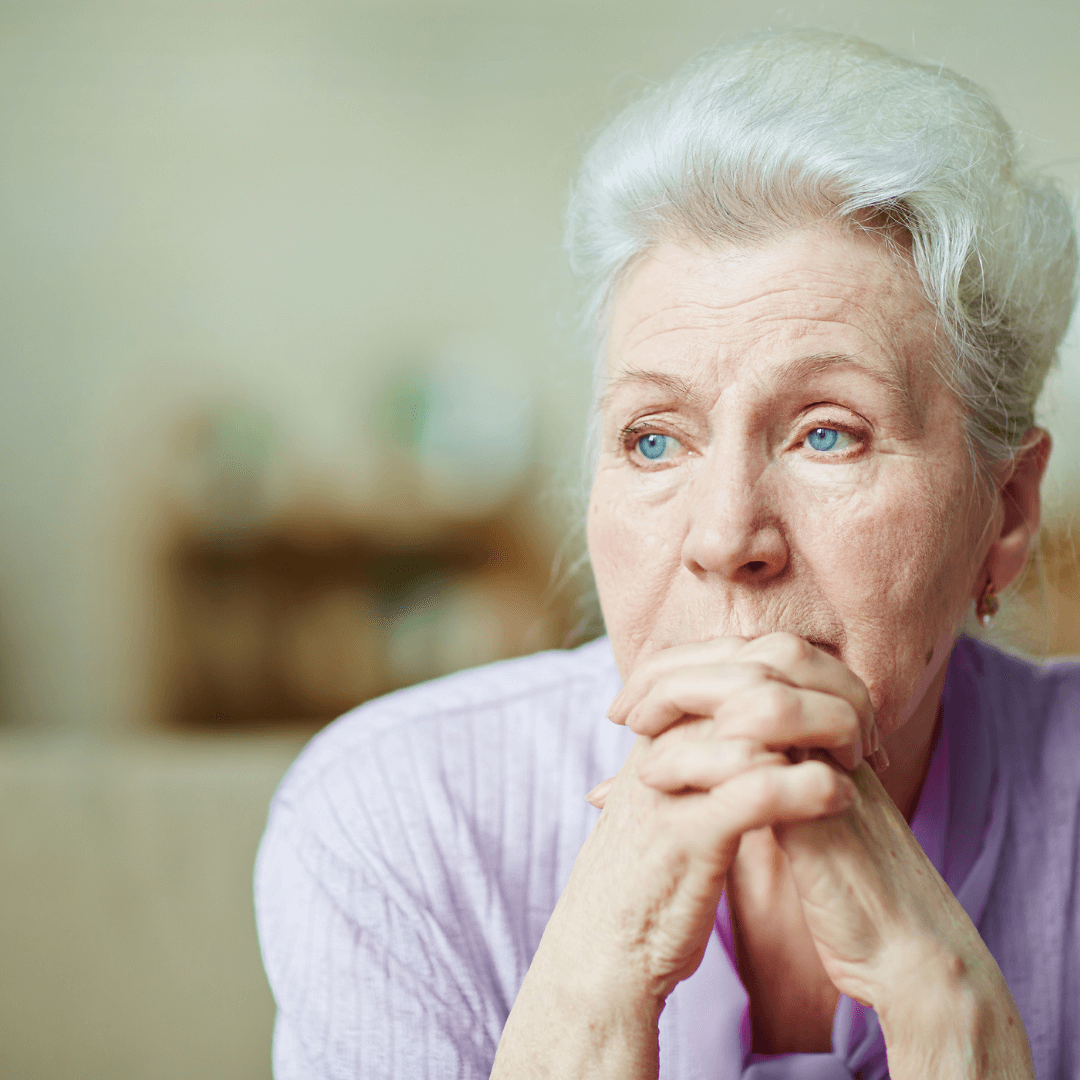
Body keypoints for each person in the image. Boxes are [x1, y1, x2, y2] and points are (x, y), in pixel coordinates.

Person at [254, 30, 1080, 1079]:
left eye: (828, 432)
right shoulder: (396, 823)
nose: (727, 536)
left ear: (1004, 514)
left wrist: (945, 1011)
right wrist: (591, 995)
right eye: (655, 439)